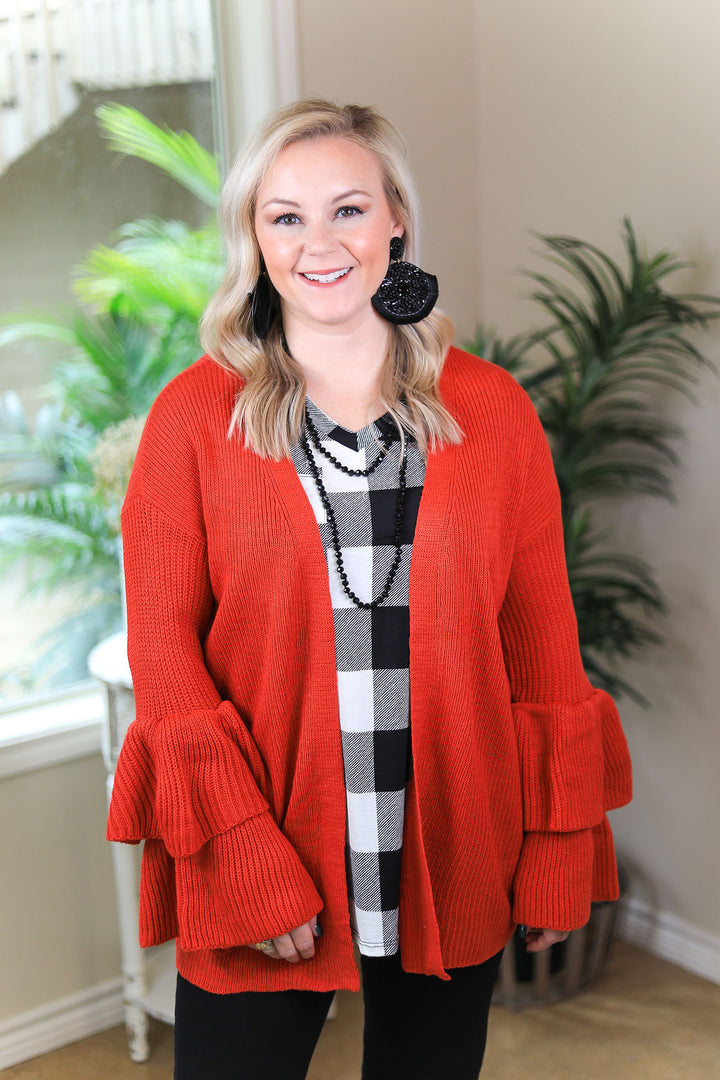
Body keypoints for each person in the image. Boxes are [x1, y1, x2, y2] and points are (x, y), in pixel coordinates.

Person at [106, 99, 632, 1080]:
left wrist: (558, 846)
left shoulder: (492, 412)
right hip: (266, 849)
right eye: (285, 216)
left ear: (396, 218)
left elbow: (543, 641)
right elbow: (165, 655)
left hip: (448, 842)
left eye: (348, 209)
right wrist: (247, 859)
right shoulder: (192, 417)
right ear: (254, 240)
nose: (321, 243)